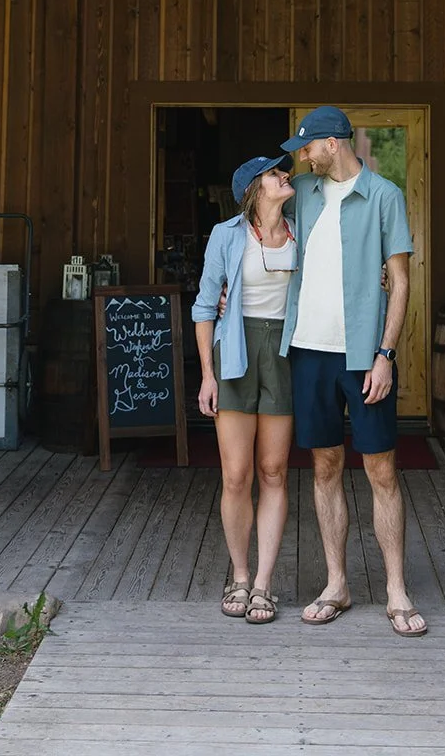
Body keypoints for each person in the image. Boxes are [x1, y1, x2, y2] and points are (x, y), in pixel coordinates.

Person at [279, 105, 427, 637]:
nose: (301, 155)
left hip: (364, 355)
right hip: (307, 350)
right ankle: (336, 583)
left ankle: (396, 589)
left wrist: (386, 354)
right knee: (324, 467)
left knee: (381, 470)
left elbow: (401, 282)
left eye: (307, 146)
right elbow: (254, 199)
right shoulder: (303, 193)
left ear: (333, 144)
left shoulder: (384, 196)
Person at [191, 152, 297, 624]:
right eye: (276, 173)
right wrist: (207, 375)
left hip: (284, 353)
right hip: (233, 350)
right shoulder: (226, 235)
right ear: (255, 189)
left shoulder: (302, 231)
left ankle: (263, 584)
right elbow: (203, 308)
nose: (285, 176)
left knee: (273, 471)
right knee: (236, 475)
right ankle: (238, 574)